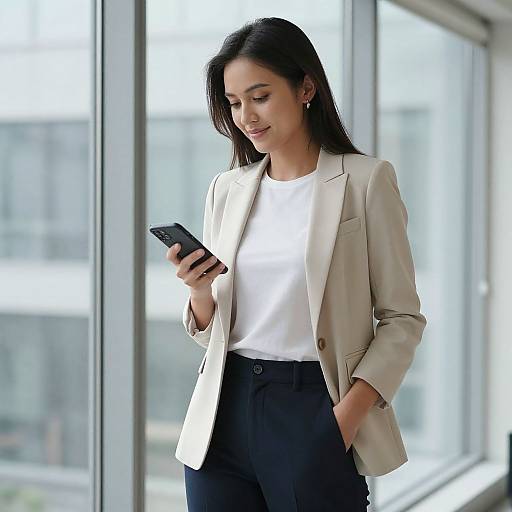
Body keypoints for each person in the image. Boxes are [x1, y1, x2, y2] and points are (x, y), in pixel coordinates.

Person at [166, 16, 427, 512]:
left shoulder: (366, 181)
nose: (246, 116)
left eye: (260, 96)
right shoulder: (228, 189)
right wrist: (199, 293)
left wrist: (343, 420)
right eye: (235, 102)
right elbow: (210, 330)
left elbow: (402, 319)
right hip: (221, 413)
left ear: (306, 86)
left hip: (313, 406)